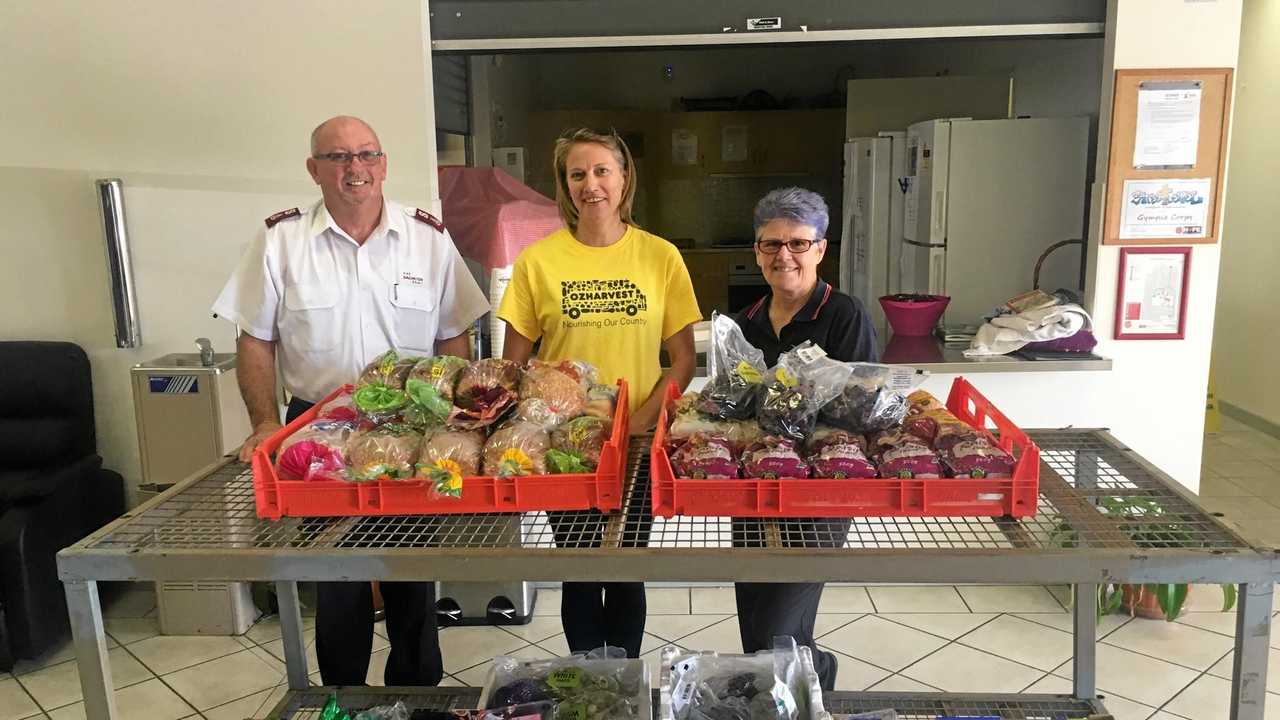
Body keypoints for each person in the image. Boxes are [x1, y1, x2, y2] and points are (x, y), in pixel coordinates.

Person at [212, 115, 489, 686]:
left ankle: (415, 693)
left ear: (384, 165)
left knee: (411, 570)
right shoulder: (280, 241)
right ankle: (344, 694)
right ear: (314, 170)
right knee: (335, 575)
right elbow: (254, 339)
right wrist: (265, 423)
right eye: (337, 158)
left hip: (413, 433)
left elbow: (453, 337)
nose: (354, 169)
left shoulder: (427, 238)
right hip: (317, 432)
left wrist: (459, 429)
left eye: (366, 155)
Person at [497, 128, 701, 657]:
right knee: (580, 569)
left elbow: (683, 360)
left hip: (635, 442)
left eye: (602, 171)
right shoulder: (538, 262)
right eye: (578, 174)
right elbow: (510, 368)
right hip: (563, 447)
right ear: (565, 186)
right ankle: (589, 688)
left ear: (624, 177)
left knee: (627, 568)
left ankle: (624, 681)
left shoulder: (660, 256)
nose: (592, 184)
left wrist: (638, 422)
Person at [731, 187, 878, 691]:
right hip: (754, 488)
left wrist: (787, 405)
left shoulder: (845, 315)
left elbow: (857, 410)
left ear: (820, 248)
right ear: (757, 251)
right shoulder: (744, 323)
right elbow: (737, 403)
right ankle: (789, 693)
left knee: (781, 627)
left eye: (797, 243)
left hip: (819, 491)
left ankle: (818, 682)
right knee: (753, 620)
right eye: (771, 244)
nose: (783, 256)